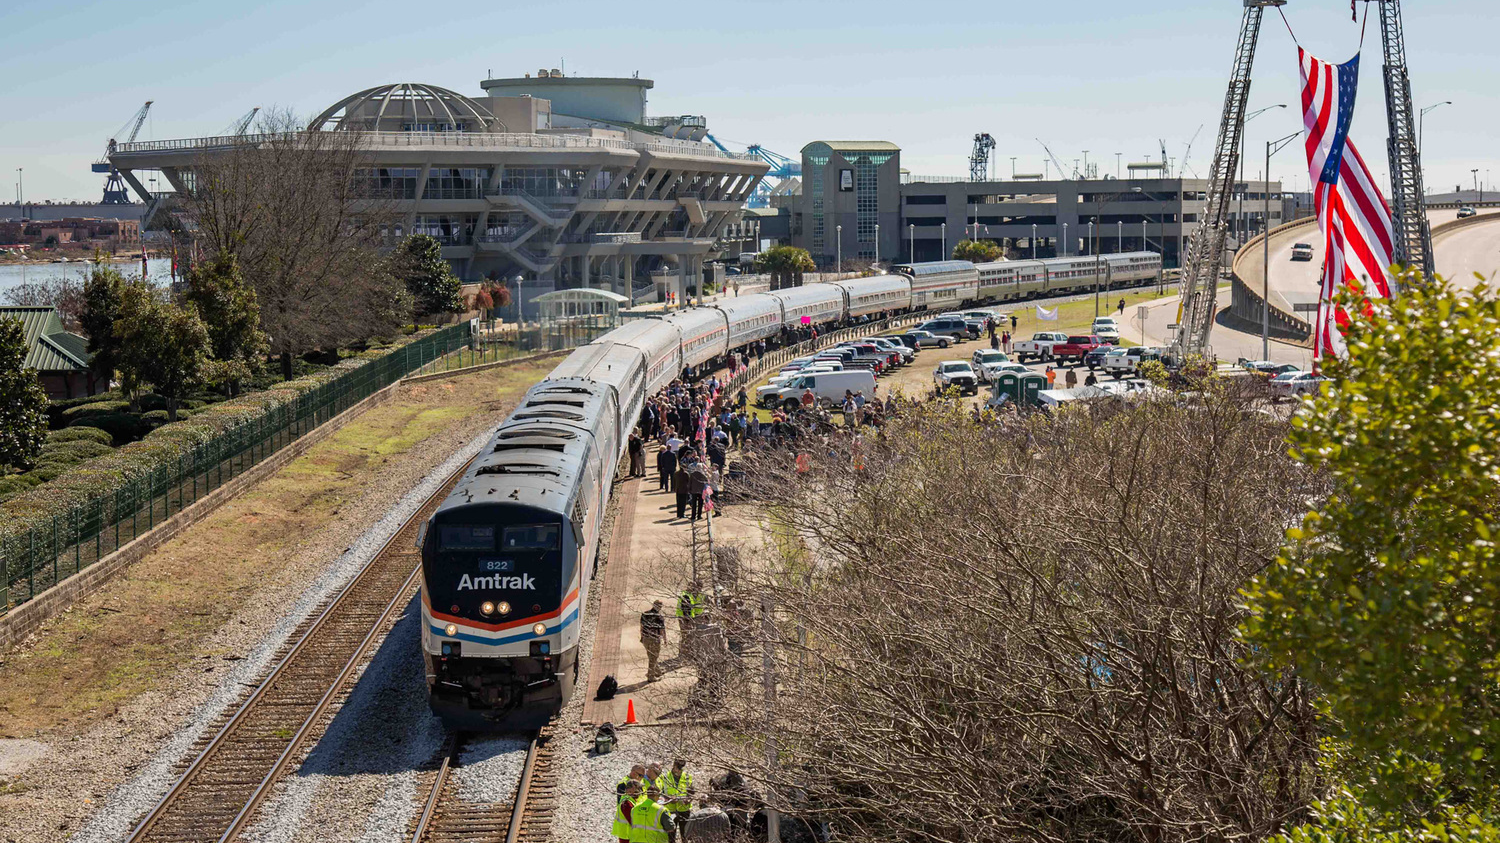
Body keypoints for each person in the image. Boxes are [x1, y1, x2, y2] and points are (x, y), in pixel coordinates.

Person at [659, 758, 695, 826]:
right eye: (677, 767)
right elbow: (659, 793)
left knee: (685, 833)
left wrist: (689, 800)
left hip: (684, 810)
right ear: (674, 765)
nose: (678, 770)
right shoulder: (665, 777)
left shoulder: (687, 777)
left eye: (680, 768)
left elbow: (692, 792)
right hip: (669, 810)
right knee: (670, 833)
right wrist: (669, 798)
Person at [641, 599, 667, 681]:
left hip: (645, 638)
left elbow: (641, 627)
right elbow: (662, 630)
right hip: (654, 639)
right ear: (660, 607)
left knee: (651, 655)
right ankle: (650, 676)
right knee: (653, 657)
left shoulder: (645, 614)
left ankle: (657, 671)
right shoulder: (659, 617)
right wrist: (665, 639)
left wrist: (642, 637)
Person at [614, 778, 642, 843]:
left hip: (627, 835)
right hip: (627, 836)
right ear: (629, 790)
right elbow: (632, 820)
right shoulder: (626, 803)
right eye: (637, 790)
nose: (639, 792)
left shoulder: (630, 801)